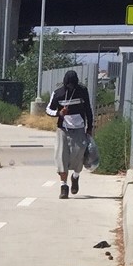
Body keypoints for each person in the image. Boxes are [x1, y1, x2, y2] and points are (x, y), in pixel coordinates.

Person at [46, 70, 94, 199]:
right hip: (63, 129)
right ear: (65, 83)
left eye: (73, 84)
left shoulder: (82, 91)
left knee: (78, 156)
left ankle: (75, 177)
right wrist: (59, 113)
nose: (71, 86)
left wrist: (90, 127)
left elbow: (88, 109)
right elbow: (48, 109)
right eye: (69, 84)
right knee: (61, 157)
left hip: (79, 129)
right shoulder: (58, 93)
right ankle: (64, 187)